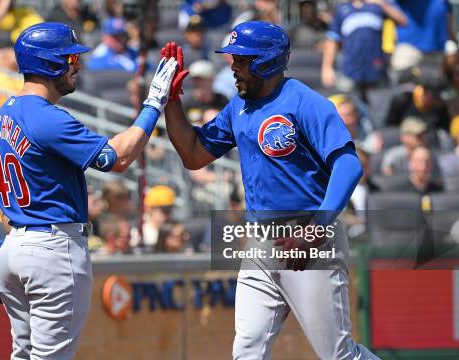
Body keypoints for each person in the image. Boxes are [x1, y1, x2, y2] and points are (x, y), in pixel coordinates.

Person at [162, 21, 378, 359]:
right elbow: (192, 154)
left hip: (308, 234)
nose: (232, 66)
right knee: (247, 350)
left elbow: (349, 165)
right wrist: (171, 102)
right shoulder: (239, 106)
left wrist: (316, 229)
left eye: (241, 60)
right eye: (233, 58)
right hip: (260, 239)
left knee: (337, 355)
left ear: (267, 61)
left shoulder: (306, 102)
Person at [0, 23, 177, 359]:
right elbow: (117, 158)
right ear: (49, 64)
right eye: (70, 57)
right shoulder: (46, 117)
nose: (78, 65)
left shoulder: (1, 116)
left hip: (12, 248)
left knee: (23, 355)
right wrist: (154, 102)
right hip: (50, 249)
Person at [321, 0, 407, 102]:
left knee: (379, 110)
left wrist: (382, 4)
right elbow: (332, 40)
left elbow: (403, 21)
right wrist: (327, 67)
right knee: (349, 108)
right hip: (350, 68)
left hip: (376, 67)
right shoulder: (342, 9)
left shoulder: (377, 7)